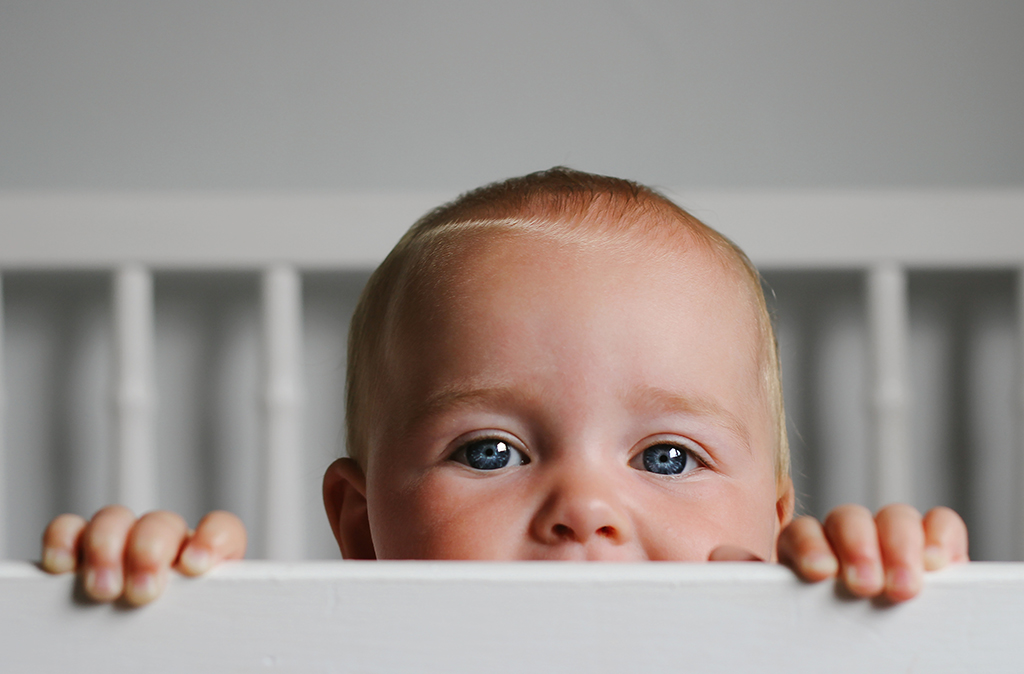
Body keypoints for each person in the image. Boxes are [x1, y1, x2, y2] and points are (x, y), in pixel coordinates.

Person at [41, 168, 968, 606]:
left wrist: (895, 622)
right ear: (361, 528)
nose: (585, 510)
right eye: (490, 451)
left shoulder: (798, 655)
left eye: (669, 456)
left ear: (774, 523)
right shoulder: (318, 659)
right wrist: (144, 620)